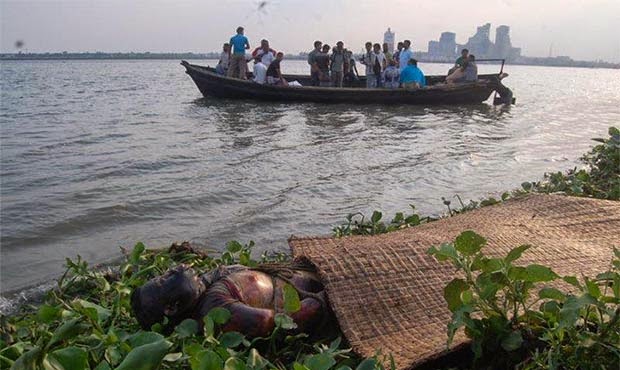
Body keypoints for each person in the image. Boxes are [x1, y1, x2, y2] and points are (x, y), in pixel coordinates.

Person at [131, 256, 332, 337]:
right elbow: (272, 321)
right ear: (172, 307)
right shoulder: (215, 307)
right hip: (323, 290)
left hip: (310, 272)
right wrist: (325, 298)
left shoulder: (205, 292)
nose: (174, 269)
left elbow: (218, 273)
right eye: (165, 278)